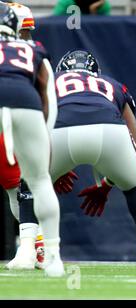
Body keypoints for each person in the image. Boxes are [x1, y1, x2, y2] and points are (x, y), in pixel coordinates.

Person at [35, 49, 136, 270]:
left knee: (31, 184)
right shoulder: (112, 84)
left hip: (60, 130)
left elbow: (38, 119)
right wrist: (109, 182)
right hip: (111, 131)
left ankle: (34, 248)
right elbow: (133, 137)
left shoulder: (53, 80)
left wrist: (50, 166)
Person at [0, 3, 64, 277]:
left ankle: (35, 248)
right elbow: (47, 94)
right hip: (26, 103)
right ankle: (53, 256)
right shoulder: (34, 49)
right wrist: (46, 137)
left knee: (23, 185)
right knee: (38, 181)